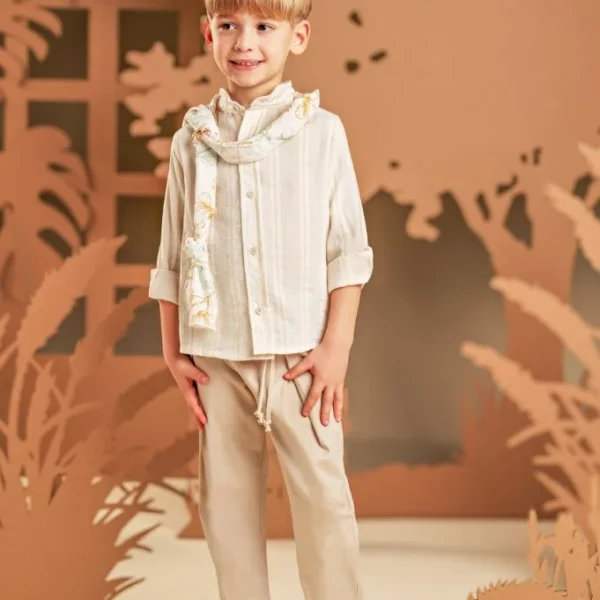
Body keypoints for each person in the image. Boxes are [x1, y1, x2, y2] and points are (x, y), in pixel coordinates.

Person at [149, 0, 373, 597]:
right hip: (215, 356)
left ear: (298, 36)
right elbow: (172, 255)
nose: (244, 42)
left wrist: (336, 348)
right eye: (229, 25)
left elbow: (347, 251)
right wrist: (173, 351)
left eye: (264, 26)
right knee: (226, 508)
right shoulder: (191, 140)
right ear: (209, 34)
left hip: (303, 358)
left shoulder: (321, 133)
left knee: (324, 502)